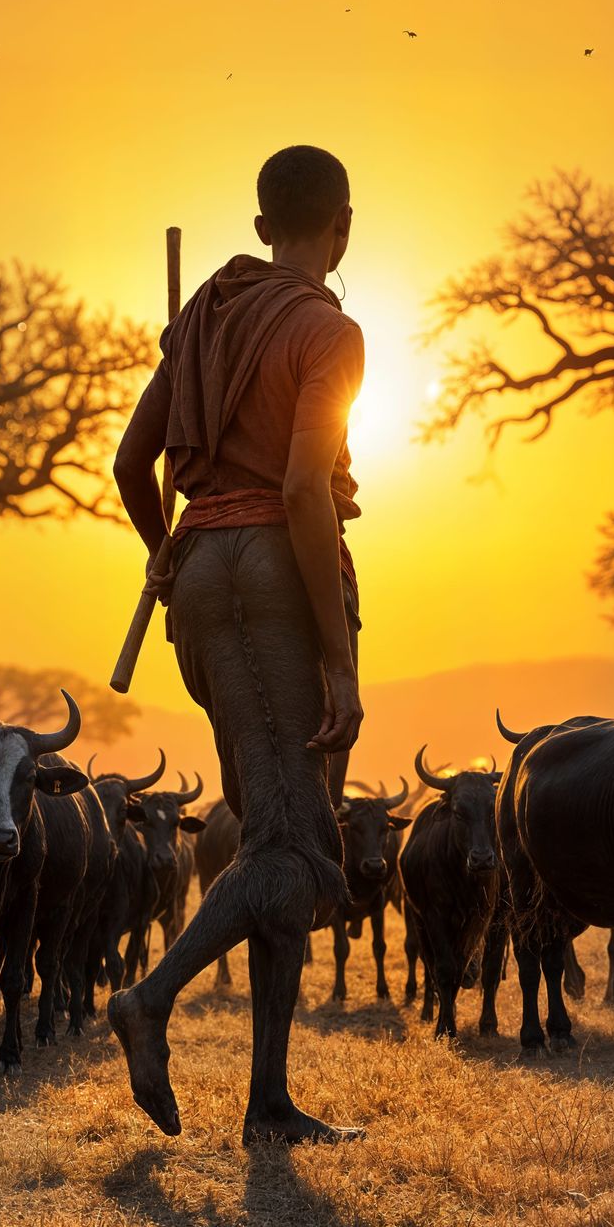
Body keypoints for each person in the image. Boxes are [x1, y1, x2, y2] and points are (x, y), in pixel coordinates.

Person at [109, 144, 365, 1145]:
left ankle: (268, 1101)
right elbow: (305, 489)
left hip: (205, 585)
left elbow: (135, 462)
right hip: (272, 585)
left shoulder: (203, 318)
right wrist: (338, 659)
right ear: (342, 227)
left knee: (271, 839)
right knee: (295, 849)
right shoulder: (328, 331)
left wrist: (165, 545)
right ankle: (150, 998)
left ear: (265, 227)